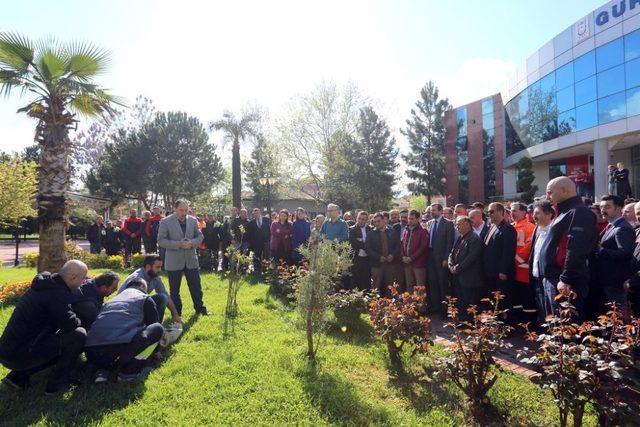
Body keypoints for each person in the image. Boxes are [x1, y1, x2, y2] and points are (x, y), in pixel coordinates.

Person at [0, 260, 88, 394]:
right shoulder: (56, 295)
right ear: (73, 278)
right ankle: (57, 385)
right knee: (78, 335)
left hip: (8, 351)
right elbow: (71, 325)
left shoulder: (46, 283)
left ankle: (17, 377)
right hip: (17, 356)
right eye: (83, 279)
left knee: (57, 335)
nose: (83, 283)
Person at [540, 176, 597, 322]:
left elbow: (576, 248)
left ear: (565, 190)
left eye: (550, 192)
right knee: (556, 325)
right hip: (554, 278)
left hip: (565, 282)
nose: (547, 197)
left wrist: (566, 278)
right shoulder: (565, 212)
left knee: (567, 327)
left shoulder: (579, 212)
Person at [85, 278, 165, 383]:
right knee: (157, 328)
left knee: (108, 346)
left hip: (91, 351)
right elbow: (153, 325)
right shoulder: (144, 298)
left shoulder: (110, 302)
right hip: (119, 348)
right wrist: (157, 351)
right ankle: (129, 372)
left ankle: (102, 371)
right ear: (143, 288)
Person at [157, 199, 210, 316]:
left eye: (186, 210)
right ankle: (177, 313)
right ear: (175, 209)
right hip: (174, 261)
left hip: (191, 259)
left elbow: (200, 236)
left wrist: (192, 242)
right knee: (174, 291)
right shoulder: (165, 222)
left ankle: (200, 309)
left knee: (196, 286)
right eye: (181, 210)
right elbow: (160, 241)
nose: (184, 212)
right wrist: (178, 244)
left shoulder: (193, 220)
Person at [588, 195, 635, 315]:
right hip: (606, 282)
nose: (603, 210)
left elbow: (625, 253)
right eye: (602, 207)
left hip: (615, 283)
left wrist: (600, 250)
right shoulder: (612, 226)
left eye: (607, 207)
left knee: (617, 319)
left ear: (619, 209)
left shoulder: (622, 228)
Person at [119, 254, 182, 324]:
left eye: (161, 267)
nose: (160, 270)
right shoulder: (136, 278)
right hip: (125, 309)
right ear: (148, 267)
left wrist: (175, 315)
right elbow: (131, 302)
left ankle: (156, 325)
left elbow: (165, 295)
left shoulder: (155, 277)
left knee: (162, 298)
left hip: (138, 304)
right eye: (157, 267)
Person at [483, 203, 517, 319]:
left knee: (504, 300)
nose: (489, 214)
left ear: (500, 212)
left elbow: (508, 252)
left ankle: (507, 327)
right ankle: (496, 324)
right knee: (493, 299)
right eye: (488, 212)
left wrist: (503, 270)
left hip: (501, 273)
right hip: (490, 272)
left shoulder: (508, 229)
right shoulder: (492, 226)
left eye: (491, 211)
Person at [448, 216, 484, 317]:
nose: (456, 226)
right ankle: (462, 320)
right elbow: (452, 253)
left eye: (459, 224)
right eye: (456, 224)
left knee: (468, 301)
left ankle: (469, 323)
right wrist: (450, 265)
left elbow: (471, 258)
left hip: (469, 277)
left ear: (467, 224)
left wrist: (457, 268)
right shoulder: (460, 237)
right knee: (460, 300)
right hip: (458, 276)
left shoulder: (474, 238)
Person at [426, 203, 455, 314]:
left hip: (441, 258)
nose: (431, 212)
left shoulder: (448, 224)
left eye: (434, 210)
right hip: (430, 258)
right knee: (432, 283)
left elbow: (449, 243)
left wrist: (446, 258)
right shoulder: (430, 223)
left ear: (440, 211)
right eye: (431, 211)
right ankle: (435, 307)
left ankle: (444, 310)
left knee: (443, 284)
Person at [529, 200, 555, 323]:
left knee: (552, 310)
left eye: (538, 213)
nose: (534, 216)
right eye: (534, 213)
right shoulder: (537, 229)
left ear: (549, 214)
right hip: (537, 276)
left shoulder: (555, 231)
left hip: (550, 277)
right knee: (541, 307)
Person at [511, 202, 536, 324]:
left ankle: (529, 325)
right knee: (516, 298)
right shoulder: (511, 226)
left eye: (515, 210)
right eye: (511, 210)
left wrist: (513, 259)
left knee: (527, 298)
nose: (512, 213)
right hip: (513, 271)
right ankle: (518, 322)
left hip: (524, 271)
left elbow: (527, 248)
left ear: (524, 212)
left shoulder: (530, 227)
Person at [366, 212, 400, 296]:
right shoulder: (371, 234)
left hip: (390, 264)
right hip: (377, 265)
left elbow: (398, 246)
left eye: (378, 221)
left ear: (384, 220)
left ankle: (389, 307)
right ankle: (375, 306)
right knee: (376, 287)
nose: (376, 223)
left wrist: (392, 255)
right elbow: (367, 248)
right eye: (375, 222)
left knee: (390, 287)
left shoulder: (392, 231)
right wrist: (378, 257)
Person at [401, 209, 429, 291]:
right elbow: (402, 244)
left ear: (418, 219)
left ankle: (420, 304)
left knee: (420, 288)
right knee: (409, 286)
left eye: (412, 219)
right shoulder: (406, 230)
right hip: (406, 263)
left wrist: (411, 258)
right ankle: (410, 304)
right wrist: (403, 257)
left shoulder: (423, 231)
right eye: (409, 218)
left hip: (418, 264)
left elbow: (423, 248)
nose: (409, 220)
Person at [349, 211, 372, 290]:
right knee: (355, 279)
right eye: (359, 218)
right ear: (356, 218)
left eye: (363, 219)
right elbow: (354, 243)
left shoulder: (370, 229)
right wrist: (366, 245)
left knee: (366, 279)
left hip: (367, 258)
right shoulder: (352, 229)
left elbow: (373, 242)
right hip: (356, 258)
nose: (361, 221)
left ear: (367, 220)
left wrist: (361, 242)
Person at [247, 208, 271, 273]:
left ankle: (265, 270)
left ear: (260, 213)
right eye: (254, 214)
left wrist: (269, 240)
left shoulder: (266, 220)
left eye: (257, 213)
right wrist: (252, 243)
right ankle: (257, 270)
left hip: (266, 241)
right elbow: (250, 234)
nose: (256, 215)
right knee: (256, 256)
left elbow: (269, 230)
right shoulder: (251, 222)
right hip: (256, 243)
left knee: (266, 256)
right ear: (253, 215)